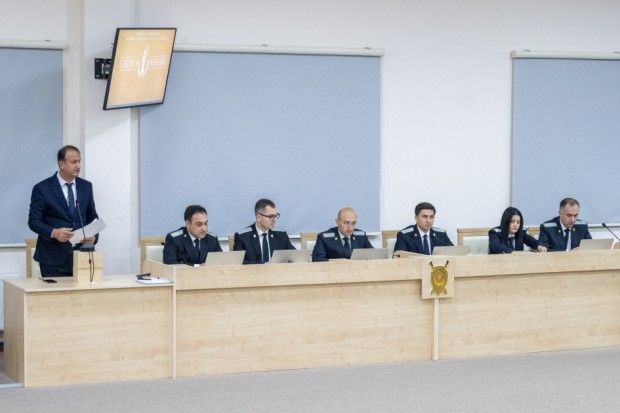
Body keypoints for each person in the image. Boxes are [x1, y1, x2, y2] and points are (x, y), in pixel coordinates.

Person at [28, 145, 99, 277]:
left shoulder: (86, 186)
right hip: (52, 259)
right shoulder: (42, 188)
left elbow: (92, 216)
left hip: (81, 256)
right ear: (61, 164)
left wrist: (94, 237)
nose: (78, 166)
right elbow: (33, 221)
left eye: (79, 161)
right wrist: (54, 232)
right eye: (73, 162)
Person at [233, 198, 295, 264]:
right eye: (271, 216)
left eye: (275, 216)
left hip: (276, 270)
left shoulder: (281, 234)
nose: (274, 220)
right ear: (259, 217)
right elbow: (238, 262)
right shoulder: (242, 236)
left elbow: (293, 256)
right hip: (254, 270)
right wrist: (264, 265)